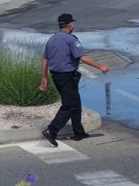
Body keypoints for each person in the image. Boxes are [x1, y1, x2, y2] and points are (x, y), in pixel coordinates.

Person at [40, 14, 110, 147]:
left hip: (56, 76)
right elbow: (82, 57)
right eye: (72, 23)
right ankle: (52, 130)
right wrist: (101, 66)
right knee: (69, 105)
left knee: (75, 103)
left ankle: (79, 132)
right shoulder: (71, 40)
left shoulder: (52, 39)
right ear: (70, 25)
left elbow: (45, 60)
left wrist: (44, 78)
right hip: (67, 77)